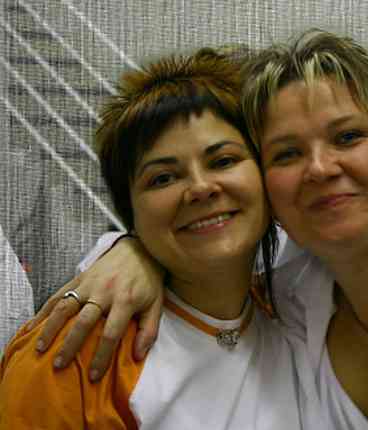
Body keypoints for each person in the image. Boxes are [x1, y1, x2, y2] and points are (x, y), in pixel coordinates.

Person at [27, 30, 368, 428]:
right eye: (287, 153)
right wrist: (132, 249)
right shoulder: (294, 290)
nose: (319, 168)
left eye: (347, 137)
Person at [0, 48, 320, 429]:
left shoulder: (297, 319)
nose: (200, 188)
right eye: (163, 178)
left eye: (223, 161)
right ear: (130, 213)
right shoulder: (73, 352)